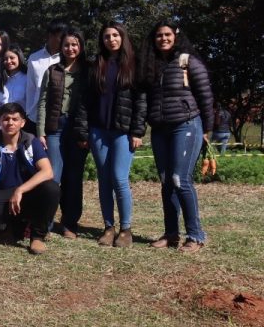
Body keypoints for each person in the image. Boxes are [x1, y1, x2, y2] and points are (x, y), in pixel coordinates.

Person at [140, 22, 214, 252]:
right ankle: (171, 233)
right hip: (160, 129)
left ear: (175, 37)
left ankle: (196, 235)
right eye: (159, 35)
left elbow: (205, 96)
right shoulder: (151, 66)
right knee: (166, 182)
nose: (163, 38)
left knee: (180, 179)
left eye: (167, 34)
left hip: (187, 124)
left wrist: (206, 130)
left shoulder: (188, 62)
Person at [73, 22, 145, 247]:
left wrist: (137, 131)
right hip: (98, 131)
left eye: (115, 35)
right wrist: (84, 131)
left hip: (123, 132)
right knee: (104, 181)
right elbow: (85, 101)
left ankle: (126, 229)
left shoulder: (134, 65)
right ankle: (108, 227)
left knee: (119, 178)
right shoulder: (97, 65)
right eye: (106, 36)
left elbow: (140, 102)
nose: (111, 39)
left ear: (122, 37)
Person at [0, 103, 60, 255]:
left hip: (27, 193)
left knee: (51, 188)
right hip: (0, 194)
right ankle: (8, 227)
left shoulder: (31, 142)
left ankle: (37, 236)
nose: (10, 123)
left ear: (22, 122)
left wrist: (20, 189)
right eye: (5, 119)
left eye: (14, 119)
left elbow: (48, 172)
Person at [36, 26, 89, 238]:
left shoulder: (89, 71)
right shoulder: (52, 70)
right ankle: (46, 223)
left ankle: (69, 223)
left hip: (78, 129)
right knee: (53, 177)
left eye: (74, 44)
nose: (70, 48)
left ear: (81, 46)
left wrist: (88, 133)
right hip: (55, 127)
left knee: (74, 177)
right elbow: (42, 103)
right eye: (66, 44)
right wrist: (41, 131)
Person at [26, 19, 69, 133]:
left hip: (59, 118)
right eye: (61, 37)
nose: (64, 40)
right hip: (34, 116)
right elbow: (30, 88)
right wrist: (29, 112)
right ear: (51, 35)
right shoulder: (34, 58)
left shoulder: (68, 59)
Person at [0, 46, 29, 110]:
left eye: (12, 58)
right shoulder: (0, 80)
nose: (8, 61)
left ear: (19, 58)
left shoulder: (27, 79)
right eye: (5, 59)